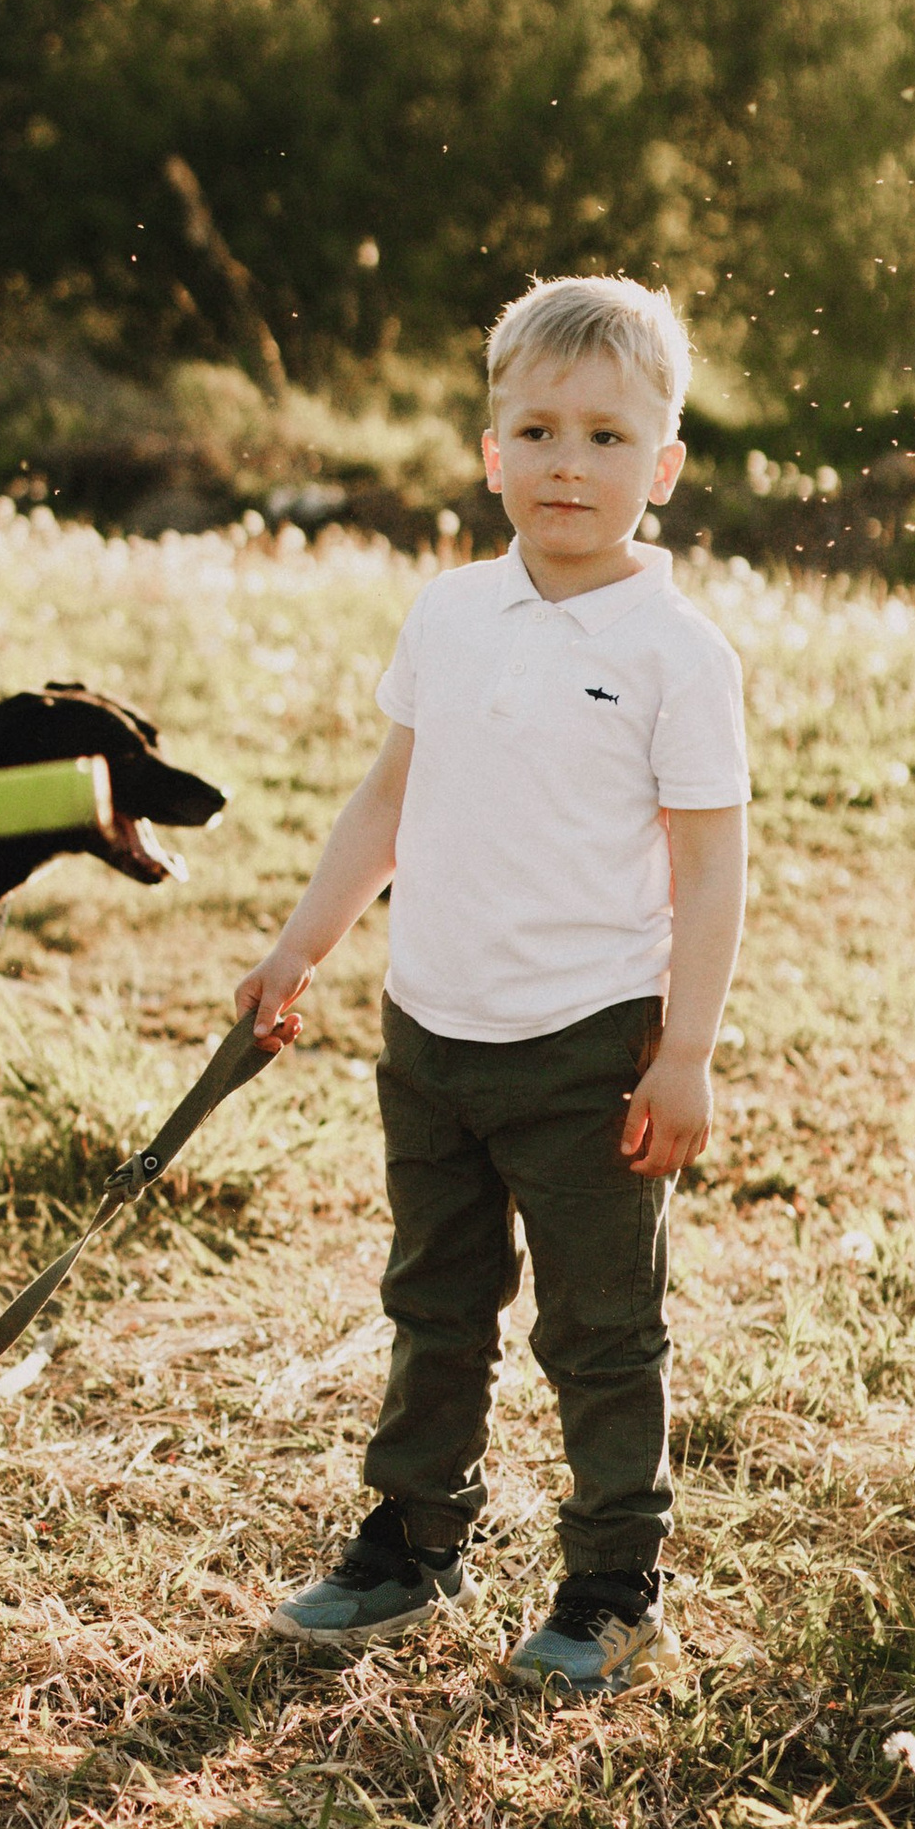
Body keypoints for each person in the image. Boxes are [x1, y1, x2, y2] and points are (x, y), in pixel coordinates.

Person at [234, 274, 747, 1694]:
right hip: (431, 1033)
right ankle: (412, 1542)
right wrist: (301, 944)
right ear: (489, 451)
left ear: (663, 467)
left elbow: (712, 871)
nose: (567, 464)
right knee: (435, 1301)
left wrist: (686, 1052)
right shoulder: (451, 613)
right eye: (537, 431)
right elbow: (387, 800)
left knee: (600, 1328)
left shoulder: (677, 655)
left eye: (605, 437)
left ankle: (615, 1584)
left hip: (588, 1050)